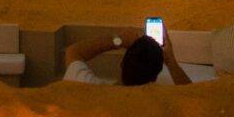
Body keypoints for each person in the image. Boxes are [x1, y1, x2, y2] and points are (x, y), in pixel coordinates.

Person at [63, 22, 191, 86]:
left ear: (121, 64)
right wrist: (171, 62)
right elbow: (191, 94)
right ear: (154, 78)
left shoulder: (90, 89)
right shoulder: (162, 107)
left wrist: (119, 40)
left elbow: (73, 51)